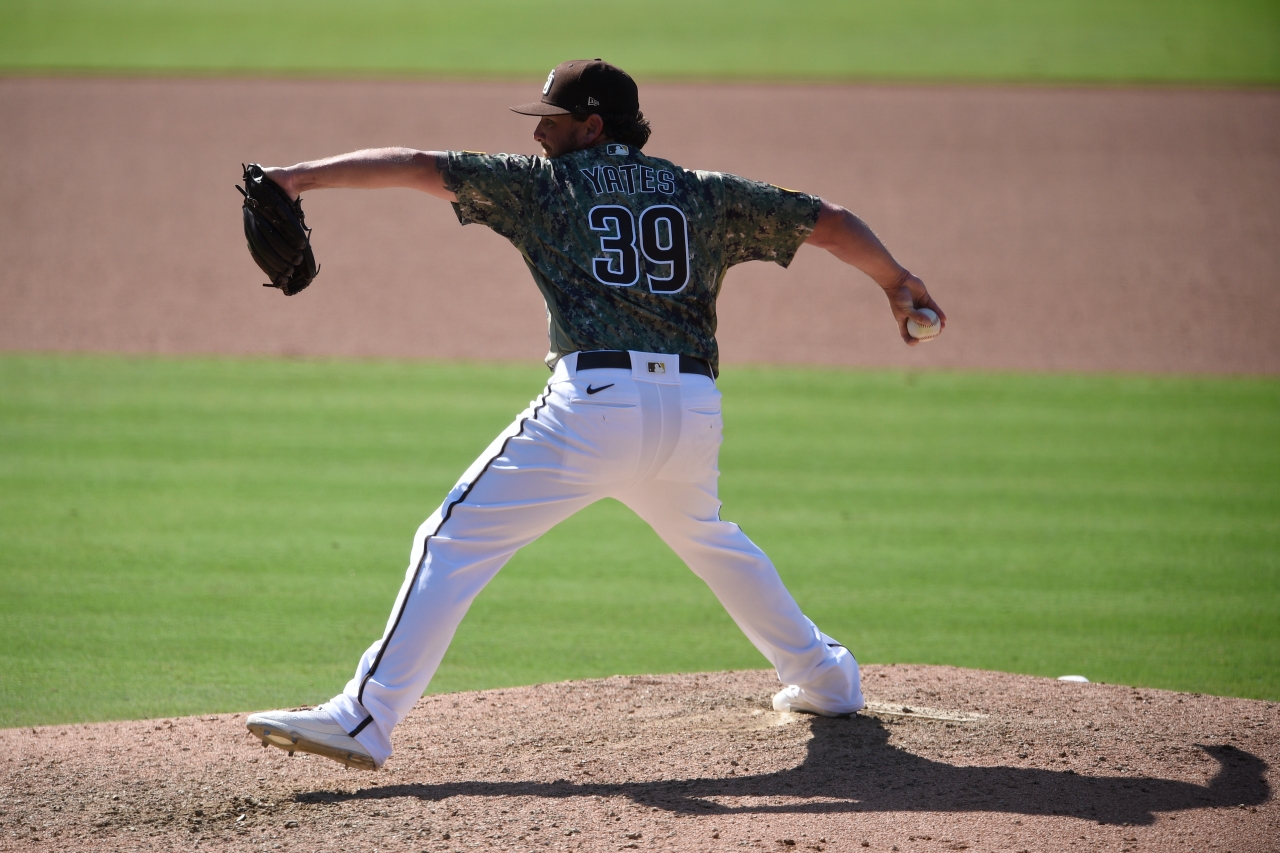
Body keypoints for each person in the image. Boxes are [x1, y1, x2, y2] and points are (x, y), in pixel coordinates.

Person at [246, 59, 945, 772]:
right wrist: (896, 281)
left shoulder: (546, 187)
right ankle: (827, 677)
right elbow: (827, 221)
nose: (540, 132)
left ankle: (363, 717)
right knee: (708, 536)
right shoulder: (701, 193)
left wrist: (297, 178)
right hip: (692, 411)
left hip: (596, 409)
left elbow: (423, 167)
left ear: (593, 125)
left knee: (449, 540)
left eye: (551, 118)